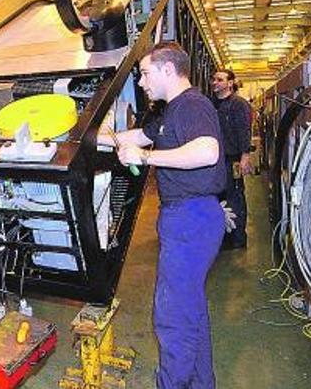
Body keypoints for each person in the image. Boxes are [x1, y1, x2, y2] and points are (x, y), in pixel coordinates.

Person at [99, 42, 226, 389]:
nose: (141, 82)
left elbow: (207, 151)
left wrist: (146, 158)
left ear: (168, 70)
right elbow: (136, 135)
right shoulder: (170, 112)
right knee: (191, 313)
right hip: (186, 218)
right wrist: (87, 136)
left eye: (144, 73)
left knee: (173, 318)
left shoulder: (193, 105)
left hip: (192, 219)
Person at [211, 69, 253, 250]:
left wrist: (245, 156)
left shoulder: (239, 104)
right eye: (213, 79)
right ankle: (222, 237)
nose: (215, 82)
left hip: (232, 159)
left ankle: (237, 239)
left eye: (220, 80)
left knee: (234, 197)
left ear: (230, 83)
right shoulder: (211, 104)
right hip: (215, 161)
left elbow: (244, 130)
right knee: (218, 198)